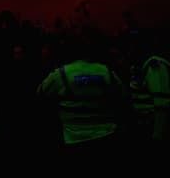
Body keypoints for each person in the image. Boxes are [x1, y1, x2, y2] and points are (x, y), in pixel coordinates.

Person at [37, 29, 126, 174]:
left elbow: (40, 93)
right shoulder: (106, 71)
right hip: (107, 137)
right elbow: (122, 96)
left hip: (74, 140)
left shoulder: (61, 74)